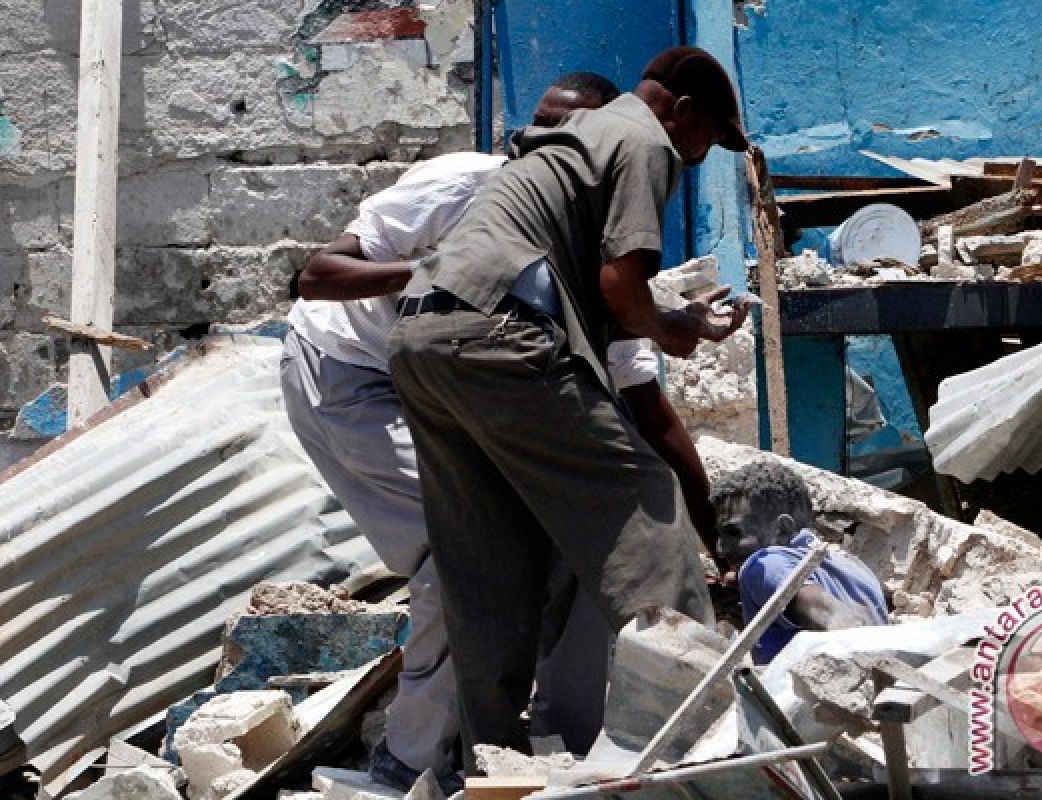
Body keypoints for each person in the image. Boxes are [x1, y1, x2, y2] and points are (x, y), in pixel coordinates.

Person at [282, 73, 712, 791]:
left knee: (557, 542)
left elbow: (647, 410)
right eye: (533, 128)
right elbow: (317, 276)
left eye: (562, 136)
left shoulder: (596, 240)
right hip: (350, 374)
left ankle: (548, 746)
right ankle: (413, 762)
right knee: (453, 560)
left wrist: (713, 532)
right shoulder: (466, 185)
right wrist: (437, 269)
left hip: (445, 387)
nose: (534, 147)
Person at [386, 45, 751, 765]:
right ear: (680, 112)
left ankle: (493, 761)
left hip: (424, 338)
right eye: (708, 139)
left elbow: (595, 299)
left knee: (488, 556)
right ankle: (693, 740)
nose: (701, 156)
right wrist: (672, 326)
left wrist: (675, 318)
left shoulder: (566, 143)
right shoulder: (646, 139)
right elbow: (622, 289)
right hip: (499, 338)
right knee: (644, 505)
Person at [710, 460, 890, 665]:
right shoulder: (852, 566)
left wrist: (838, 618)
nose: (720, 549)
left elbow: (813, 603)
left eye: (734, 533)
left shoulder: (763, 564)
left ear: (783, 530)